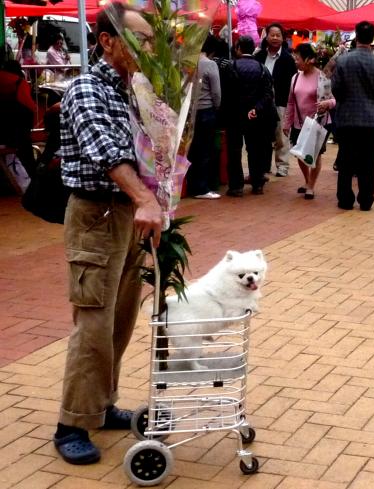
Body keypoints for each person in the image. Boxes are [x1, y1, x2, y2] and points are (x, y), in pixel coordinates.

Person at [54, 3, 163, 465]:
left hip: (128, 218)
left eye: (151, 39)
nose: (149, 47)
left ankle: (102, 404)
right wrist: (146, 198)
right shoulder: (86, 89)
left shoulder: (132, 89)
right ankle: (72, 422)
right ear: (107, 41)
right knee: (94, 324)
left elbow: (146, 149)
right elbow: (108, 152)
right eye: (140, 38)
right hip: (97, 215)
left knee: (120, 319)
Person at [331, 21, 374, 211]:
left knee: (345, 160)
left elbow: (336, 88)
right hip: (370, 119)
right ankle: (366, 199)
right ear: (373, 38)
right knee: (367, 161)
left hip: (347, 117)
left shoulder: (343, 60)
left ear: (356, 35)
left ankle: (345, 199)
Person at [226, 36, 278, 196]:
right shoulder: (262, 68)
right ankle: (257, 183)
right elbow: (268, 94)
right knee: (255, 149)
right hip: (256, 115)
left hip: (235, 114)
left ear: (238, 48)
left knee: (234, 150)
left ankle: (236, 186)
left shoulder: (232, 66)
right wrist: (257, 108)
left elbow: (226, 93)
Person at [283, 43, 335, 200]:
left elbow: (333, 100)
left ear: (309, 59)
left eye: (298, 58)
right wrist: (287, 123)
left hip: (318, 123)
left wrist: (327, 104)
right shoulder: (295, 77)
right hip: (299, 123)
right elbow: (291, 102)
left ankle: (311, 186)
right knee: (300, 155)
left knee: (315, 155)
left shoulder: (322, 77)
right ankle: (307, 181)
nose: (296, 61)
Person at [254, 23, 297, 177]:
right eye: (272, 34)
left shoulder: (288, 58)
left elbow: (292, 82)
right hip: (262, 103)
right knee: (263, 136)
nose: (275, 38)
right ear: (266, 36)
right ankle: (264, 167)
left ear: (282, 37)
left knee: (281, 135)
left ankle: (282, 166)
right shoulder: (258, 56)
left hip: (280, 101)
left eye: (278, 35)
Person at [186, 35, 222, 199]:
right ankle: (201, 188)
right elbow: (216, 93)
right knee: (205, 150)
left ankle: (191, 184)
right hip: (206, 111)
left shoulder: (185, 62)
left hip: (188, 112)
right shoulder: (210, 64)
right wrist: (217, 107)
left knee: (191, 150)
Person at [0, 60, 37, 177]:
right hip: (15, 132)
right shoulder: (19, 82)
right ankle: (34, 177)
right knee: (27, 154)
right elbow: (30, 107)